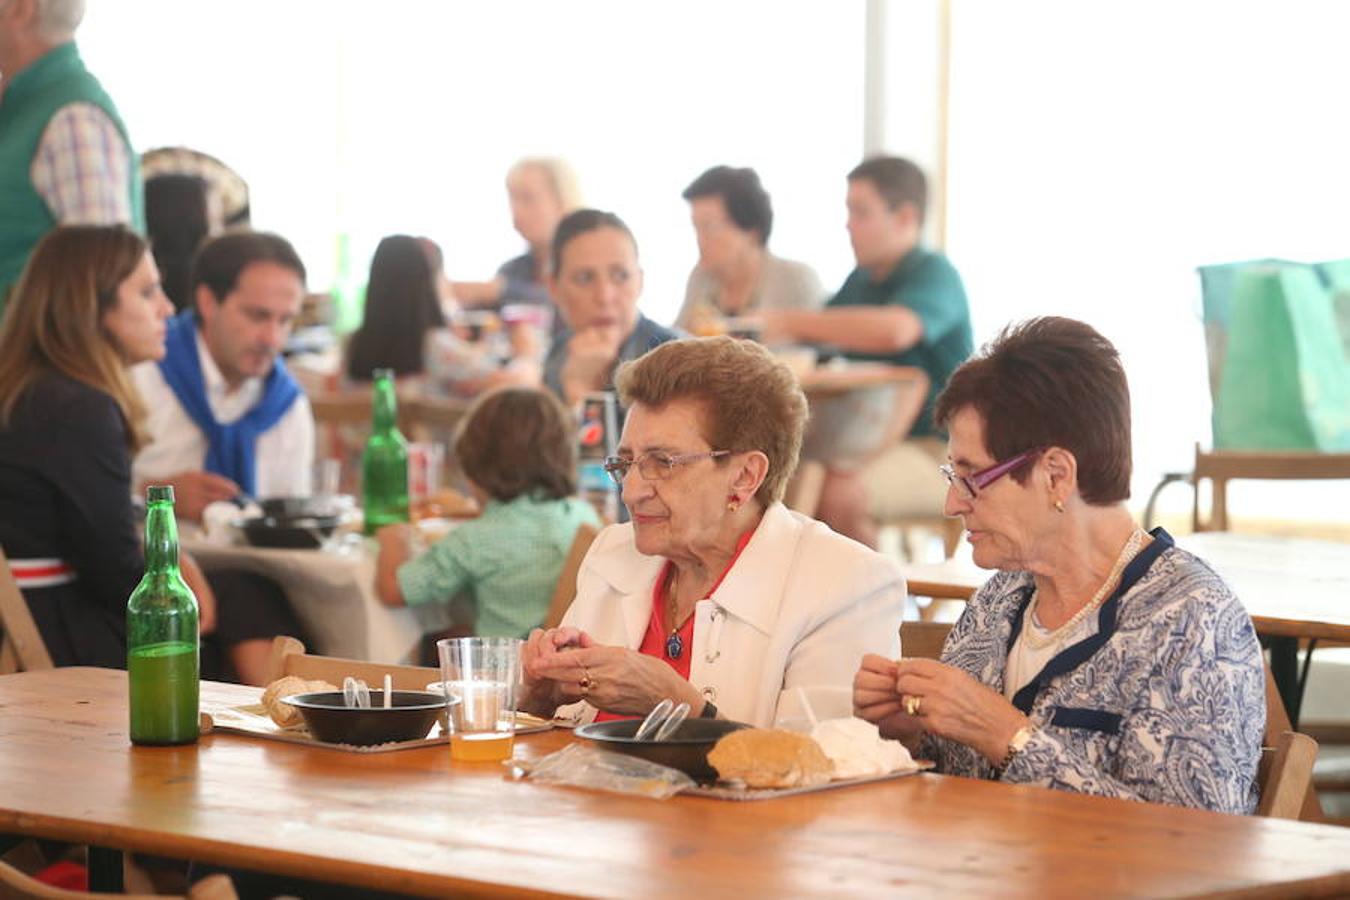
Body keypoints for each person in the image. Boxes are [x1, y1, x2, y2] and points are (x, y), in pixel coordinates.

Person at [852, 317, 1264, 813]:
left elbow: (1199, 846)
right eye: (951, 475)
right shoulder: (999, 600)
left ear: (1056, 474)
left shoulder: (1192, 622)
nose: (952, 504)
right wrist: (910, 732)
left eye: (973, 477)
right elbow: (961, 781)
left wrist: (1007, 735)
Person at [522, 336, 904, 728]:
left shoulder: (845, 583)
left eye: (663, 462)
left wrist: (678, 706)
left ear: (745, 476)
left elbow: (825, 768)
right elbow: (566, 744)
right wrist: (538, 699)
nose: (631, 491)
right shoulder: (614, 553)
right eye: (627, 462)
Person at [0, 225, 212, 668]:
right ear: (92, 305)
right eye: (149, 292)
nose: (168, 309)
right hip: (46, 636)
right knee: (222, 624)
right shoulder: (75, 406)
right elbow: (113, 572)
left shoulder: (31, 391)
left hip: (26, 620)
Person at [763, 156, 973, 547]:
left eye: (860, 212)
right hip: (864, 442)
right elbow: (822, 342)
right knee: (783, 475)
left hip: (939, 451)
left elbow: (896, 330)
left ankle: (871, 603)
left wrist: (790, 321)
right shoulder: (860, 281)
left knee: (837, 492)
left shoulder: (934, 272)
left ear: (905, 217)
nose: (848, 224)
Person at [374, 387, 600, 638]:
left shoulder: (474, 540)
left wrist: (393, 536)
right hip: (562, 660)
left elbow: (394, 590)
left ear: (476, 466)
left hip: (501, 670)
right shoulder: (581, 515)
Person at [131, 231, 314, 521]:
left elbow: (293, 516)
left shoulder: (286, 405)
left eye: (285, 320)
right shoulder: (141, 374)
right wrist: (147, 498)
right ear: (207, 302)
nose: (272, 338)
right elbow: (84, 496)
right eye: (257, 316)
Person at [0, 0, 143, 304]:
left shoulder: (73, 119)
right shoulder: (24, 106)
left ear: (22, 8)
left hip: (36, 352)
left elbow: (100, 287)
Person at [542, 209, 680, 409]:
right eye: (584, 278)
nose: (605, 296)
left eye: (620, 276)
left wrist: (580, 392)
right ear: (554, 288)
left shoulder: (676, 362)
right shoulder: (560, 352)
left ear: (640, 281)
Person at [675, 165, 823, 333]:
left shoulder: (795, 279)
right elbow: (676, 341)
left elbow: (815, 350)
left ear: (751, 230)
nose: (700, 239)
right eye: (696, 227)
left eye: (710, 227)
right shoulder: (701, 277)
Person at [453, 157, 581, 321]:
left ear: (562, 201)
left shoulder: (587, 263)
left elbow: (575, 304)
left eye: (527, 198)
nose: (516, 210)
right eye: (512, 198)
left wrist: (499, 291)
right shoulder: (512, 270)